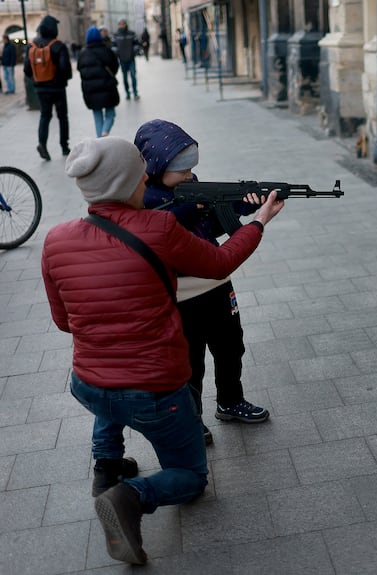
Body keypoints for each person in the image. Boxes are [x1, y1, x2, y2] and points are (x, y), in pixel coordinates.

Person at [41, 137, 284, 565]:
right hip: (155, 392)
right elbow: (218, 262)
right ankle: (129, 496)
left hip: (89, 386)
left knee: (109, 390)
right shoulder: (158, 228)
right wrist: (258, 221)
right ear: (130, 180)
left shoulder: (56, 240)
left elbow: (64, 322)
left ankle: (107, 469)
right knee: (191, 478)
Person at [134, 119, 270, 445]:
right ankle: (192, 418)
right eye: (180, 170)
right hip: (181, 295)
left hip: (217, 282)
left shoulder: (190, 187)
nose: (189, 176)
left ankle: (230, 400)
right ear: (155, 166)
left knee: (230, 346)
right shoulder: (147, 200)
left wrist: (239, 204)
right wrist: (191, 210)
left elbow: (212, 228)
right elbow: (160, 230)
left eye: (191, 169)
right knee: (190, 361)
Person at [23, 15, 72, 161]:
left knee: (45, 116)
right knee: (62, 117)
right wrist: (63, 79)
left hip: (40, 89)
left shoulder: (31, 46)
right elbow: (65, 68)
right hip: (57, 88)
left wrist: (37, 79)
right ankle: (64, 146)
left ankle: (42, 144)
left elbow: (26, 69)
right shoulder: (58, 46)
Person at [77, 26, 120, 137]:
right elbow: (115, 66)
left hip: (91, 90)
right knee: (110, 113)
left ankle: (100, 139)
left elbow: (80, 70)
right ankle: (105, 131)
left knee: (97, 115)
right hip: (107, 87)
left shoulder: (83, 53)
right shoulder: (107, 50)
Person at [112, 19, 139, 100]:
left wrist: (133, 52)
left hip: (131, 59)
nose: (122, 25)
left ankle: (135, 92)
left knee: (133, 76)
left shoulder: (131, 33)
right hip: (122, 60)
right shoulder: (116, 35)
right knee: (124, 78)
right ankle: (127, 93)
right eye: (120, 24)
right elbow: (113, 46)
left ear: (126, 24)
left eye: (123, 24)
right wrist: (118, 53)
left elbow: (137, 44)